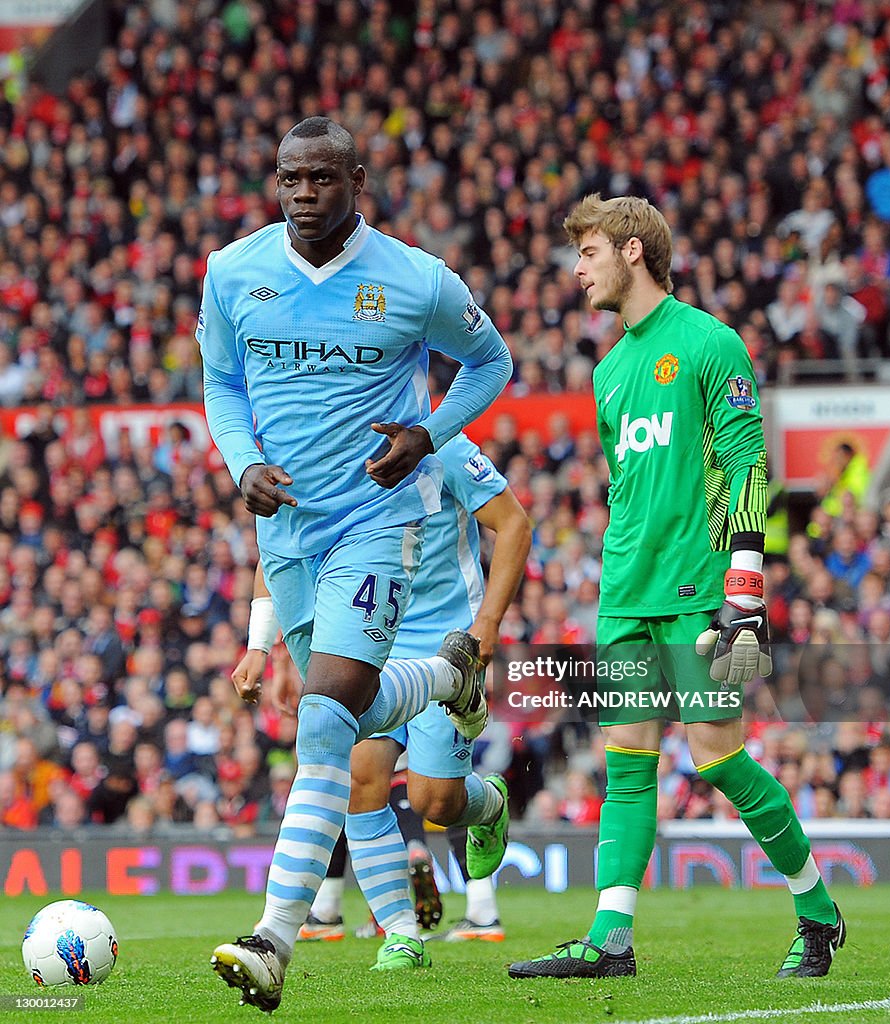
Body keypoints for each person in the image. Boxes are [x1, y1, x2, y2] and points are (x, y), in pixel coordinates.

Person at [200, 117, 512, 1012]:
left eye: (322, 179)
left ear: (358, 181)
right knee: (346, 716)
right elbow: (221, 384)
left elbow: (491, 362)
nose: (303, 194)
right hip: (285, 534)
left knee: (326, 723)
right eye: (289, 178)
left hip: (378, 525)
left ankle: (273, 939)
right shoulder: (234, 273)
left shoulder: (416, 280)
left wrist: (426, 434)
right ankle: (445, 677)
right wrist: (239, 463)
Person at [509, 195, 844, 980]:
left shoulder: (708, 343)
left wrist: (744, 593)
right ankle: (609, 939)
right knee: (626, 760)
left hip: (698, 591)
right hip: (624, 594)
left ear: (632, 250)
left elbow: (746, 468)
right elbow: (628, 491)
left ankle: (816, 909)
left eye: (587, 252)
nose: (577, 269)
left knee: (717, 759)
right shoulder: (606, 373)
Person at [233, 432, 531, 959]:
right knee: (360, 782)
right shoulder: (325, 448)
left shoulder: (443, 447)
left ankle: (488, 806)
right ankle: (401, 933)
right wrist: (265, 647)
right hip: (368, 633)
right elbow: (281, 546)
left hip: (444, 641)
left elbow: (513, 525)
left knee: (434, 800)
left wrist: (486, 624)